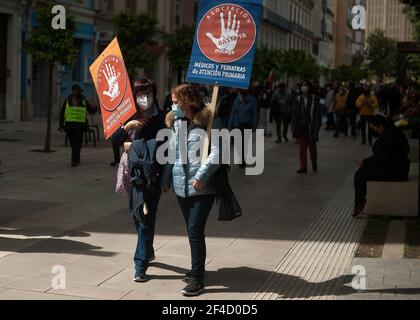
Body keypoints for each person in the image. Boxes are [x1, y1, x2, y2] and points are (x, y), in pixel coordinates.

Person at [161, 84, 221, 297]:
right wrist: (167, 177)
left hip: (202, 188)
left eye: (176, 102)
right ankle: (197, 269)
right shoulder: (177, 122)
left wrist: (201, 177)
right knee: (191, 230)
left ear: (187, 101)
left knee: (195, 230)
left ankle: (197, 278)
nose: (173, 106)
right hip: (181, 185)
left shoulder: (210, 121)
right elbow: (174, 151)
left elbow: (217, 154)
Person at [118, 79, 166, 283]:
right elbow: (114, 142)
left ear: (154, 94)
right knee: (137, 215)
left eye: (148, 93)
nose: (144, 98)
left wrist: (134, 148)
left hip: (150, 177)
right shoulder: (130, 115)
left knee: (145, 219)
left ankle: (140, 265)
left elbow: (161, 149)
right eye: (140, 94)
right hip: (131, 175)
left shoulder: (162, 119)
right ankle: (148, 249)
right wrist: (126, 127)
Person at [353, 115, 411, 217]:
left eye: (373, 127)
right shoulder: (392, 132)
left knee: (361, 174)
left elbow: (381, 157)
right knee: (363, 171)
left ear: (380, 126)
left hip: (396, 171)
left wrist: (365, 162)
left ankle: (359, 204)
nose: (373, 130)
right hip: (398, 168)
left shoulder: (389, 136)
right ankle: (360, 202)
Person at [59, 84, 97, 167]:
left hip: (79, 127)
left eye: (78, 91)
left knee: (77, 143)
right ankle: (77, 156)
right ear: (73, 91)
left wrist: (97, 107)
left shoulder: (83, 101)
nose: (76, 92)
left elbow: (91, 110)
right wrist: (61, 126)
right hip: (69, 126)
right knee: (73, 144)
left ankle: (74, 160)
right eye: (75, 91)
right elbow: (62, 113)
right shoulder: (68, 100)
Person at [291, 81, 322, 174]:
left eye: (306, 86)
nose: (304, 87)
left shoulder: (315, 99)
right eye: (303, 86)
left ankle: (314, 162)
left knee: (312, 147)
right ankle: (303, 166)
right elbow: (294, 114)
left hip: (311, 127)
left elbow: (318, 114)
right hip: (301, 127)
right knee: (302, 147)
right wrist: (294, 127)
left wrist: (317, 126)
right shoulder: (298, 99)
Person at [228, 88, 258, 168]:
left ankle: (242, 159)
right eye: (240, 94)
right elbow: (233, 113)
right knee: (238, 143)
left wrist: (254, 126)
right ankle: (240, 158)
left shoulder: (252, 101)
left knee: (244, 143)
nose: (241, 96)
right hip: (236, 124)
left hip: (246, 124)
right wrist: (230, 126)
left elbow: (254, 114)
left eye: (242, 94)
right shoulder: (236, 101)